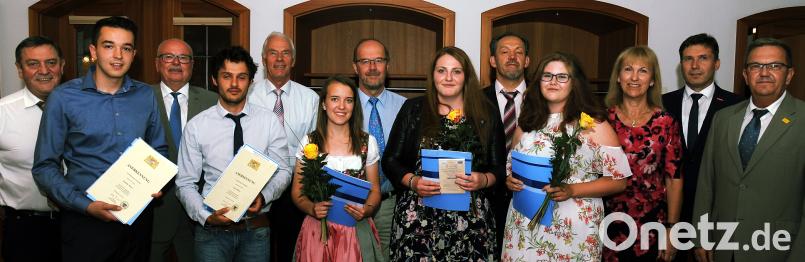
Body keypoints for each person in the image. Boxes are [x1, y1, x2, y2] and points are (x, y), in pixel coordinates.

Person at [32, 16, 168, 261]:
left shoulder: (146, 95)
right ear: (93, 51)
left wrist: (157, 181)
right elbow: (44, 167)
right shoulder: (63, 98)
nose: (118, 55)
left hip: (137, 220)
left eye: (126, 48)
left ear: (134, 54)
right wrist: (84, 205)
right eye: (109, 46)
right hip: (85, 222)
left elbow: (159, 150)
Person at [501, 52, 631, 261]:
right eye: (547, 76)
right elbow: (512, 170)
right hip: (524, 224)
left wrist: (572, 189)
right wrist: (511, 181)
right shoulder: (527, 123)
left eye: (562, 77)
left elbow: (619, 181)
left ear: (574, 83)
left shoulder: (594, 125)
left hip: (572, 229)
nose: (553, 82)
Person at [382, 46, 506, 261]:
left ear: (466, 76)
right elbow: (390, 160)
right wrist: (413, 182)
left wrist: (484, 179)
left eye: (456, 71)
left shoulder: (486, 113)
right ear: (433, 75)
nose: (448, 77)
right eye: (441, 71)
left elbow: (500, 167)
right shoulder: (413, 109)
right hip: (418, 220)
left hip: (472, 222)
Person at [174, 46, 291, 262]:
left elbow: (283, 170)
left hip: (256, 229)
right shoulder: (197, 126)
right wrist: (206, 216)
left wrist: (264, 196)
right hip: (211, 234)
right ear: (215, 79)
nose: (235, 84)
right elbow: (185, 183)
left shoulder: (269, 122)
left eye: (242, 77)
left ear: (251, 81)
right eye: (227, 76)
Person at [693, 38, 805, 262]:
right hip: (723, 246)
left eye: (775, 66)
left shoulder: (802, 119)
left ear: (789, 74)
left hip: (778, 249)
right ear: (745, 75)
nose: (764, 73)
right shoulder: (723, 119)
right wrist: (701, 235)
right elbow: (707, 182)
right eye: (756, 66)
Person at [660, 34, 741, 261]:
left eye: (703, 58)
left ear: (716, 63)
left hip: (716, 218)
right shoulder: (661, 105)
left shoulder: (737, 107)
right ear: (681, 64)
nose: (695, 65)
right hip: (666, 217)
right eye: (688, 59)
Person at [602, 46, 683, 261]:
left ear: (653, 79)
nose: (634, 77)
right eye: (628, 69)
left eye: (643, 71)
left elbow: (674, 179)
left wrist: (671, 229)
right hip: (607, 220)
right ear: (618, 77)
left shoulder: (666, 122)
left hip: (652, 223)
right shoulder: (601, 120)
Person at [291, 75, 384, 261]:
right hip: (318, 231)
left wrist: (367, 209)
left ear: (354, 106)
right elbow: (297, 193)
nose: (341, 106)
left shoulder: (368, 143)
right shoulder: (309, 143)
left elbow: (375, 191)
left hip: (355, 230)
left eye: (348, 100)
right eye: (335, 99)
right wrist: (311, 208)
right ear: (324, 104)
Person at [246, 31, 318, 262]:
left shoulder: (310, 99)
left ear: (293, 60)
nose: (279, 59)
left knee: (290, 250)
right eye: (273, 53)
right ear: (264, 58)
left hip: (295, 188)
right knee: (256, 250)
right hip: (255, 184)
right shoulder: (247, 95)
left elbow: (315, 148)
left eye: (285, 53)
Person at [149, 38, 218, 262]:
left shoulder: (213, 101)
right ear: (157, 63)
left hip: (201, 211)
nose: (176, 62)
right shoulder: (140, 98)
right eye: (168, 56)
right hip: (154, 209)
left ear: (192, 64)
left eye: (184, 57)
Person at [0, 36, 64, 262]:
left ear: (62, 65)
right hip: (25, 230)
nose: (44, 70)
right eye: (33, 64)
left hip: (80, 225)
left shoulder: (84, 108)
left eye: (51, 62)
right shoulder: (2, 113)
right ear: (19, 70)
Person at [351, 38, 406, 259]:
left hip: (391, 204)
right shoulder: (342, 105)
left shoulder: (405, 106)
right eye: (365, 61)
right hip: (351, 203)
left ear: (387, 65)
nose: (372, 67)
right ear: (355, 67)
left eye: (378, 60)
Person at [482, 32, 531, 254]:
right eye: (504, 52)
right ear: (492, 60)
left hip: (530, 199)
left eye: (518, 52)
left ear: (527, 60)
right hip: (485, 200)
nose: (512, 57)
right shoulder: (475, 100)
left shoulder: (545, 99)